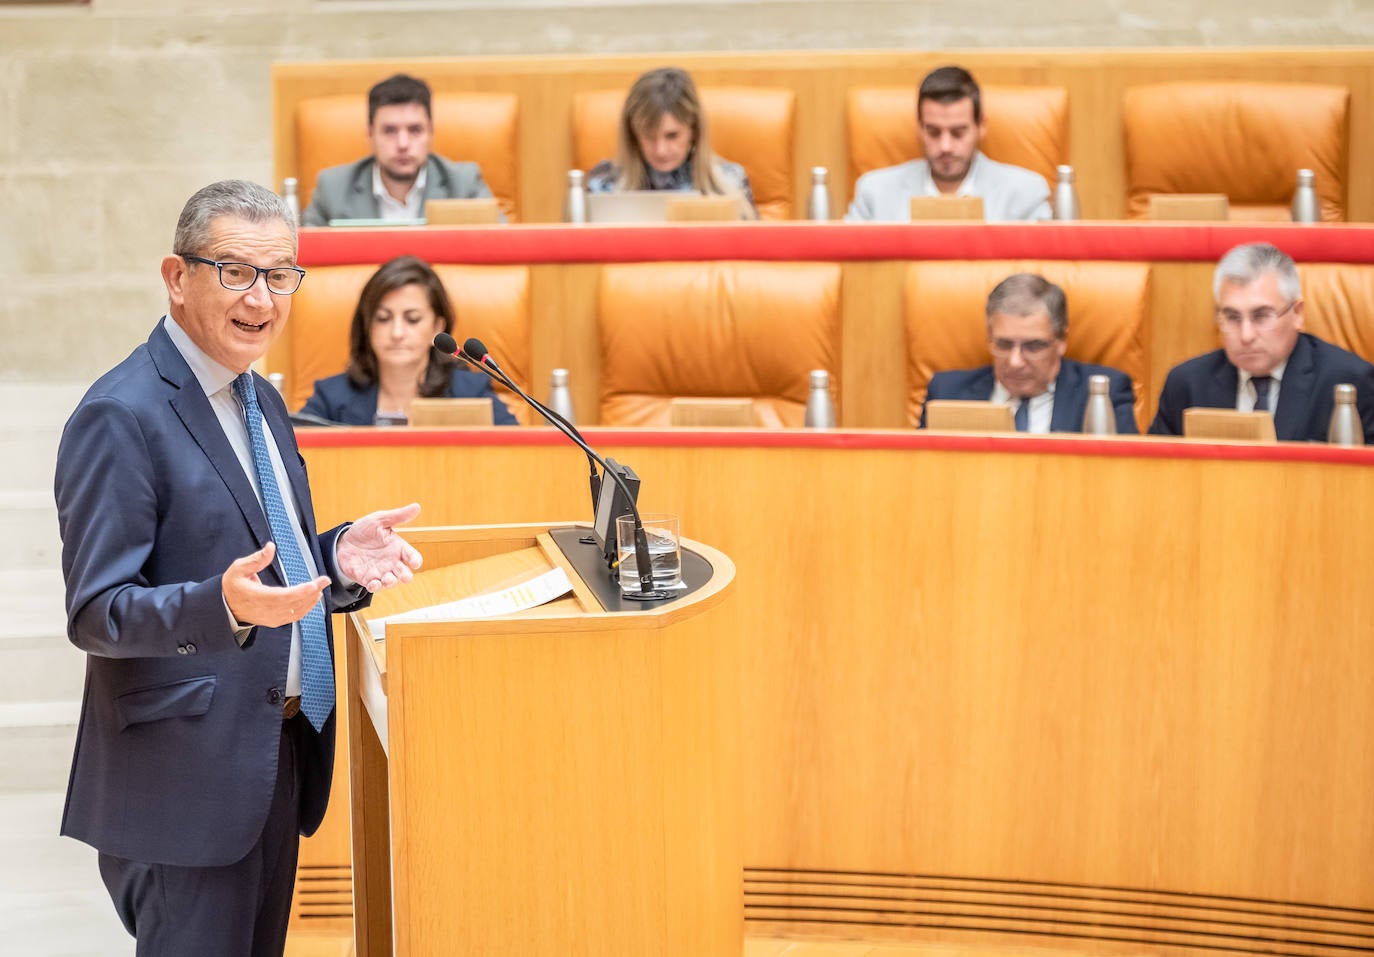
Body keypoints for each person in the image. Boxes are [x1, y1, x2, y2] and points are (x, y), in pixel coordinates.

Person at [54, 179, 424, 956]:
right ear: (175, 276)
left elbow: (262, 557)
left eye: (280, 273)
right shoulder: (120, 414)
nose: (261, 296)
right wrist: (218, 609)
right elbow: (97, 610)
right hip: (180, 785)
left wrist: (335, 556)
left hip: (270, 759)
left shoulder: (260, 401)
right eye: (235, 271)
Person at [1150, 242, 1374, 441]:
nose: (1246, 335)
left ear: (1297, 313)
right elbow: (1156, 474)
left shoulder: (1349, 381)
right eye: (1232, 317)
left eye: (1261, 316)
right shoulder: (1187, 383)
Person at [299, 255, 518, 425]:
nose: (397, 333)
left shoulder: (471, 393)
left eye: (412, 319)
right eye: (383, 319)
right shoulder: (331, 398)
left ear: (437, 328)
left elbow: (516, 454)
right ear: (367, 326)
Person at [921, 273, 1138, 434]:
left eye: (1033, 347)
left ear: (1061, 340)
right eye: (1004, 345)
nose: (1015, 362)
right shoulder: (947, 392)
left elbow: (1122, 478)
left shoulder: (1104, 393)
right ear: (989, 338)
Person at [847, 65, 1051, 222]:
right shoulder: (874, 192)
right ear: (919, 128)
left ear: (980, 126)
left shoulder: (1026, 193)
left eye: (958, 133)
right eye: (934, 132)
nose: (945, 146)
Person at [301, 73, 495, 226]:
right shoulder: (333, 188)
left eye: (415, 130)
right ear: (370, 134)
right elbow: (304, 260)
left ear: (431, 132)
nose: (403, 143)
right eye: (390, 131)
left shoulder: (464, 185)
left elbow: (497, 249)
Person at [586, 66, 758, 219]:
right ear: (633, 134)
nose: (661, 150)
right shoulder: (603, 185)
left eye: (672, 136)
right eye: (649, 136)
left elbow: (753, 251)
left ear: (694, 130)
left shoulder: (730, 182)